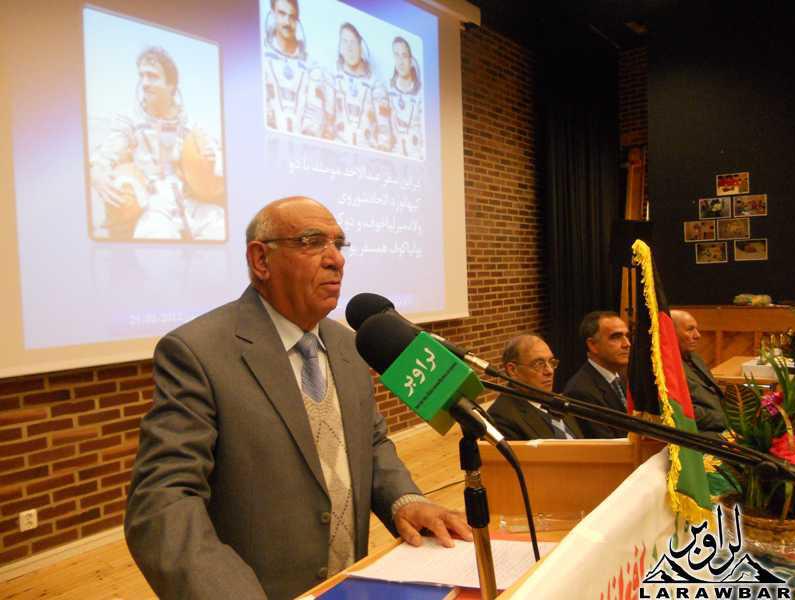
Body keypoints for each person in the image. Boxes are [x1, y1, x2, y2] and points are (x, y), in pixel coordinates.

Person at [124, 196, 471, 599]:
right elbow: (163, 502)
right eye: (312, 242)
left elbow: (370, 444)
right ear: (261, 260)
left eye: (338, 244)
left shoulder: (349, 346)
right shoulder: (198, 353)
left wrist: (404, 501)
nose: (336, 259)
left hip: (347, 586)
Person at [90, 46, 225, 241]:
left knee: (220, 227)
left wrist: (214, 157)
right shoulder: (129, 120)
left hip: (190, 201)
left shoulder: (190, 124)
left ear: (171, 84)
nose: (144, 83)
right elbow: (108, 152)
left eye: (152, 76)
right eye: (142, 76)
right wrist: (97, 171)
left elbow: (216, 151)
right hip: (152, 205)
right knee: (156, 240)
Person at [487, 334, 583, 440]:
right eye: (539, 364)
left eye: (551, 362)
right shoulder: (502, 417)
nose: (550, 371)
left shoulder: (558, 401)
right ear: (513, 370)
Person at [263, 0, 333, 138]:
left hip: (303, 148)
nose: (287, 22)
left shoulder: (312, 67)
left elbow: (315, 111)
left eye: (292, 17)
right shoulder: (261, 55)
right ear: (272, 14)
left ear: (297, 21)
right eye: (282, 13)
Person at [563, 311, 631, 439]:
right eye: (616, 337)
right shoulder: (580, 391)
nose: (627, 344)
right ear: (592, 345)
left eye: (627, 336)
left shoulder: (623, 378)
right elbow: (606, 444)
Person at [670, 309, 727, 434]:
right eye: (690, 329)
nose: (698, 335)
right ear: (670, 332)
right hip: (698, 434)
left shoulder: (694, 357)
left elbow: (714, 393)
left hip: (722, 425)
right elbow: (682, 411)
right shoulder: (665, 366)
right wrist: (727, 420)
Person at [332, 22, 379, 148]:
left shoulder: (375, 86)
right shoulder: (332, 79)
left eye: (353, 42)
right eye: (345, 42)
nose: (349, 48)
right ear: (340, 48)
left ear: (360, 47)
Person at [384, 36, 425, 159]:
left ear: (411, 60)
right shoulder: (386, 90)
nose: (401, 62)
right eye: (397, 55)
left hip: (417, 158)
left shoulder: (421, 94)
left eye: (404, 56)